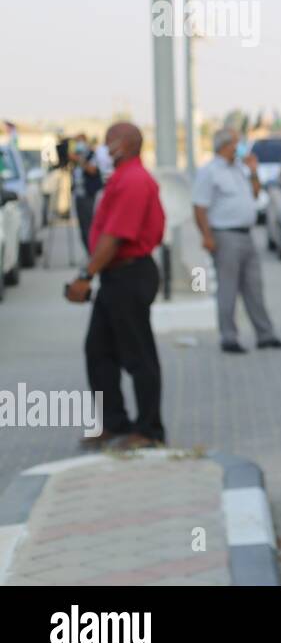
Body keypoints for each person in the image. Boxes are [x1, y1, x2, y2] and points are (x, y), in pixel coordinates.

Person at [63, 122, 166, 450]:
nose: (103, 151)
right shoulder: (121, 178)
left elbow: (116, 236)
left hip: (129, 274)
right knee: (99, 350)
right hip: (115, 276)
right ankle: (115, 422)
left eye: (108, 144)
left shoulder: (133, 180)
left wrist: (85, 275)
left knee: (139, 356)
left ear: (123, 145)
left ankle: (149, 431)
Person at [192, 128, 281, 354]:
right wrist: (206, 236)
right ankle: (229, 338)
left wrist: (254, 171)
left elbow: (256, 195)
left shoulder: (239, 168)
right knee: (228, 289)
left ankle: (265, 335)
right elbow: (199, 207)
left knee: (254, 287)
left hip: (246, 235)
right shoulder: (209, 172)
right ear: (224, 145)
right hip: (224, 235)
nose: (240, 148)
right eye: (236, 143)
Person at [70, 134, 103, 252]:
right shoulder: (76, 156)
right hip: (78, 195)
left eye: (79, 141)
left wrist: (79, 160)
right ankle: (89, 252)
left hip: (89, 195)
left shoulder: (91, 155)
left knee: (89, 225)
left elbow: (93, 170)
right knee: (83, 227)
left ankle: (93, 251)